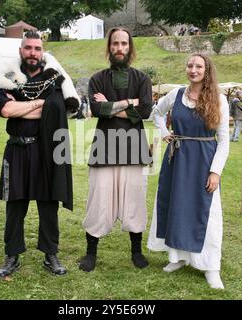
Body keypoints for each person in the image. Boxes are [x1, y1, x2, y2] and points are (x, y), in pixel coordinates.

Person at [0, 30, 80, 278]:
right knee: (15, 205)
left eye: (37, 49)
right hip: (16, 148)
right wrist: (39, 104)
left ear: (42, 52)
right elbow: (6, 110)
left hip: (45, 149)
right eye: (28, 48)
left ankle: (50, 254)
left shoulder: (54, 79)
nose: (33, 53)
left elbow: (56, 109)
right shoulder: (9, 78)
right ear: (21, 51)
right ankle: (12, 255)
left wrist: (23, 107)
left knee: (48, 204)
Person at [147, 53, 230, 289]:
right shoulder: (176, 94)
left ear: (207, 70)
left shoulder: (219, 99)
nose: (193, 70)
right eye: (190, 65)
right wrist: (163, 132)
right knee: (177, 206)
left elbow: (223, 141)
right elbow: (157, 113)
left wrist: (215, 172)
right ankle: (178, 257)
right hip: (178, 156)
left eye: (199, 66)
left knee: (208, 213)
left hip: (204, 160)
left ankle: (211, 267)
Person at [78, 27, 153, 272]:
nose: (119, 48)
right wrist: (130, 103)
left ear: (129, 47)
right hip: (105, 147)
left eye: (124, 44)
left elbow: (145, 111)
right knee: (98, 199)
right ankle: (90, 253)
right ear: (109, 46)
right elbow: (97, 110)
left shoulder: (142, 79)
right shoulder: (98, 79)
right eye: (115, 43)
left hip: (134, 148)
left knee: (134, 200)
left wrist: (113, 106)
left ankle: (136, 251)